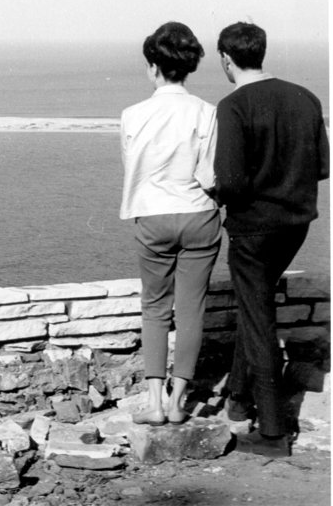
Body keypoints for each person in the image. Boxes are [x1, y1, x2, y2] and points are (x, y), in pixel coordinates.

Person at [213, 22, 330, 457]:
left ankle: (274, 432)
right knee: (254, 307)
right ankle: (239, 398)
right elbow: (323, 167)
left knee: (259, 318)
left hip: (253, 229)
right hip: (295, 225)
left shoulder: (233, 105)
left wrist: (213, 191)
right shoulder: (306, 97)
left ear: (226, 58)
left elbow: (230, 181)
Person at [120, 22, 221, 426]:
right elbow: (210, 174)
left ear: (153, 66)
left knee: (155, 307)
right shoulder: (207, 112)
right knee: (192, 309)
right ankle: (179, 402)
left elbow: (132, 168)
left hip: (154, 216)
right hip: (198, 215)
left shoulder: (132, 115)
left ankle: (155, 403)